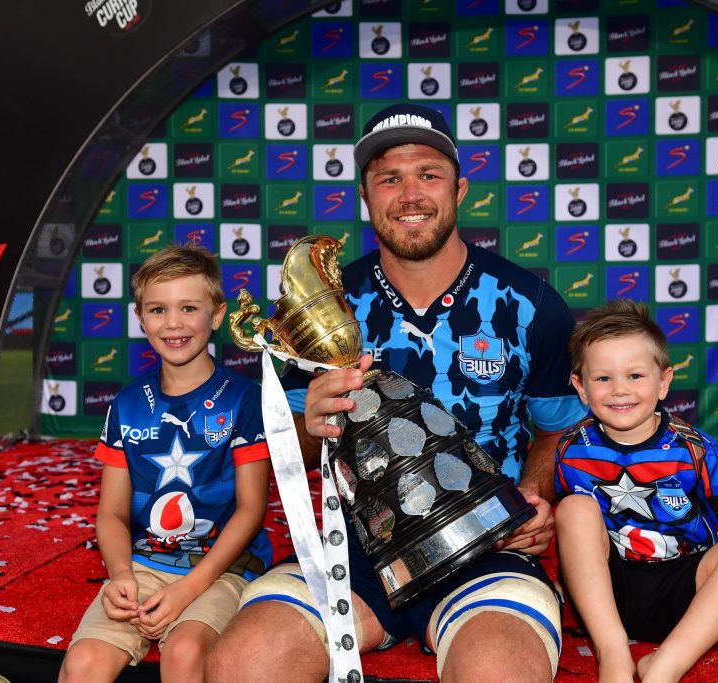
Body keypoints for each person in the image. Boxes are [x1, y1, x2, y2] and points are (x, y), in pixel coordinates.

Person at [206, 103, 584, 683]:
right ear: (365, 195)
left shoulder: (530, 303)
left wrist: (534, 493)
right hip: (355, 548)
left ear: (459, 188)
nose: (410, 194)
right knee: (242, 665)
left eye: (428, 175)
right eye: (389, 178)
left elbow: (559, 428)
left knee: (498, 671)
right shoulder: (321, 310)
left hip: (487, 543)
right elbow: (289, 453)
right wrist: (311, 426)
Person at [59, 245, 271, 683]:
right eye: (158, 309)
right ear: (140, 318)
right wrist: (121, 575)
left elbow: (252, 509)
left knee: (185, 652)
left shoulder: (244, 399)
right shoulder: (127, 404)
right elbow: (112, 513)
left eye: (188, 308)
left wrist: (189, 588)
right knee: (83, 663)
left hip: (222, 569)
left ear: (217, 315)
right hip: (144, 565)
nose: (173, 323)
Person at [554, 298, 718, 683]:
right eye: (603, 378)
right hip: (608, 597)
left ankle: (665, 667)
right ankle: (614, 655)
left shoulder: (694, 448)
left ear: (663, 382)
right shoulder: (570, 449)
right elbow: (575, 539)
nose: (619, 390)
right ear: (581, 387)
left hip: (689, 599)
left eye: (635, 376)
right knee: (574, 509)